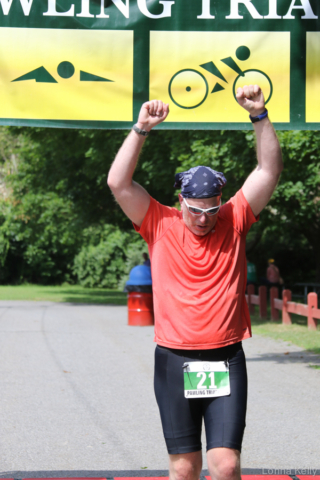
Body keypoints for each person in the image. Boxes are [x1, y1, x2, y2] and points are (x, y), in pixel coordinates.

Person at [107, 85, 283, 480]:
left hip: (225, 356)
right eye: (196, 211)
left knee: (227, 464)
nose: (204, 219)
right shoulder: (159, 221)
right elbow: (118, 184)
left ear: (221, 201)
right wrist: (141, 129)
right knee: (185, 467)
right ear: (181, 201)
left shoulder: (234, 218)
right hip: (174, 358)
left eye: (211, 210)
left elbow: (268, 170)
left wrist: (259, 115)